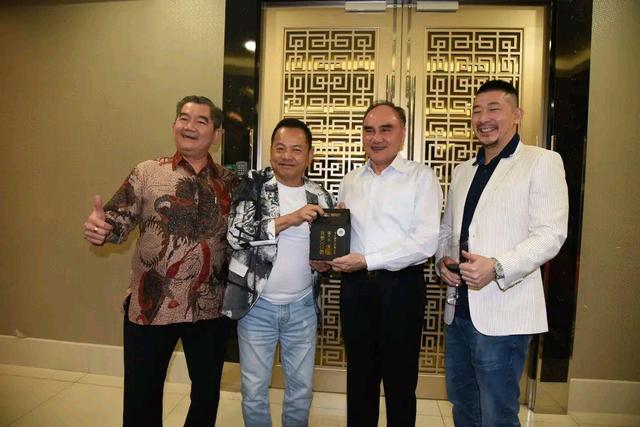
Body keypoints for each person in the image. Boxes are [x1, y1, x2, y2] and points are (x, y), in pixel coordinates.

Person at [82, 95, 237, 427]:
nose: (189, 126)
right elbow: (117, 222)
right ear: (173, 125)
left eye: (201, 121)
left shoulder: (230, 183)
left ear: (217, 134)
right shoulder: (147, 172)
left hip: (209, 308)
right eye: (183, 118)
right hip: (150, 305)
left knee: (206, 395)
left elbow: (241, 239)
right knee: (142, 395)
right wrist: (102, 229)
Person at [436, 79, 569, 426]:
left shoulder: (542, 162)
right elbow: (449, 231)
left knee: (497, 414)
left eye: (494, 109)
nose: (483, 118)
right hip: (458, 312)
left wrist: (497, 266)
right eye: (477, 111)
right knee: (463, 406)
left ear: (517, 115)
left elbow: (551, 235)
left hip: (504, 313)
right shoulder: (463, 171)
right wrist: (442, 262)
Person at [330, 102, 443, 426]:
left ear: (402, 134)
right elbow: (344, 233)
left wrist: (368, 260)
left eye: (385, 129)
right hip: (355, 288)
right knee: (359, 379)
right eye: (369, 130)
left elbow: (425, 242)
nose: (376, 138)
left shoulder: (421, 177)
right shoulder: (351, 179)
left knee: (400, 382)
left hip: (401, 288)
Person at [221, 118, 334, 427]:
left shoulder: (320, 195)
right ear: (270, 150)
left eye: (296, 149)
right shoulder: (254, 184)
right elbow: (236, 234)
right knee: (254, 389)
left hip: (302, 307)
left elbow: (324, 252)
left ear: (310, 155)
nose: (287, 156)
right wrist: (289, 219)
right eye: (280, 148)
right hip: (257, 306)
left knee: (301, 390)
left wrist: (324, 264)